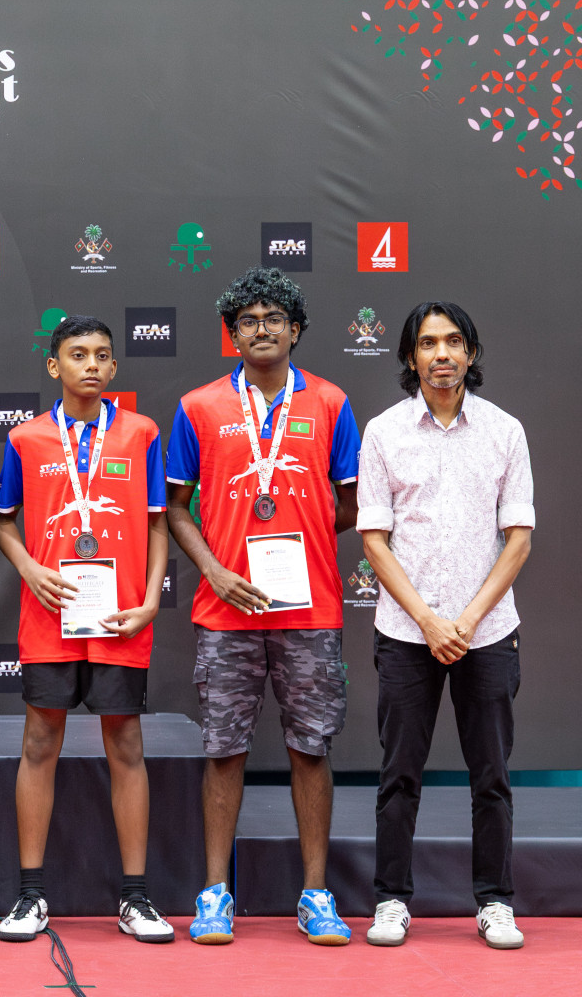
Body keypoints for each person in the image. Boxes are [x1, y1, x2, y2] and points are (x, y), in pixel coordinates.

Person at [165, 267, 360, 945]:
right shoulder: (198, 407)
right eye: (247, 320)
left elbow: (352, 504)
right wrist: (217, 568)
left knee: (311, 749)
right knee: (224, 750)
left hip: (310, 612)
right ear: (233, 335)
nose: (261, 329)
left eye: (274, 317)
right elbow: (177, 509)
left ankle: (315, 894)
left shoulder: (332, 402)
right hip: (226, 613)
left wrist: (296, 552)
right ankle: (215, 892)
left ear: (296, 329)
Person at [0, 316, 173, 943]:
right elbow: (3, 522)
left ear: (114, 368)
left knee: (126, 746)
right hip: (52, 615)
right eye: (77, 354)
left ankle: (135, 899)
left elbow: (158, 523)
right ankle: (30, 896)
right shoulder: (27, 440)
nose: (90, 365)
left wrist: (151, 600)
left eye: (101, 355)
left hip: (121, 617)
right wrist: (29, 567)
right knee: (40, 743)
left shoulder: (142, 433)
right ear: (54, 366)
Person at [357, 303, 532, 950]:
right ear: (410, 357)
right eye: (428, 343)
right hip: (407, 633)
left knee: (492, 776)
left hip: (487, 632)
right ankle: (392, 900)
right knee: (399, 773)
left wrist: (465, 619)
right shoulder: (384, 432)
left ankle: (494, 902)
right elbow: (374, 539)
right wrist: (430, 620)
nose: (442, 354)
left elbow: (517, 539)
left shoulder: (505, 431)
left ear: (472, 353)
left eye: (454, 341)